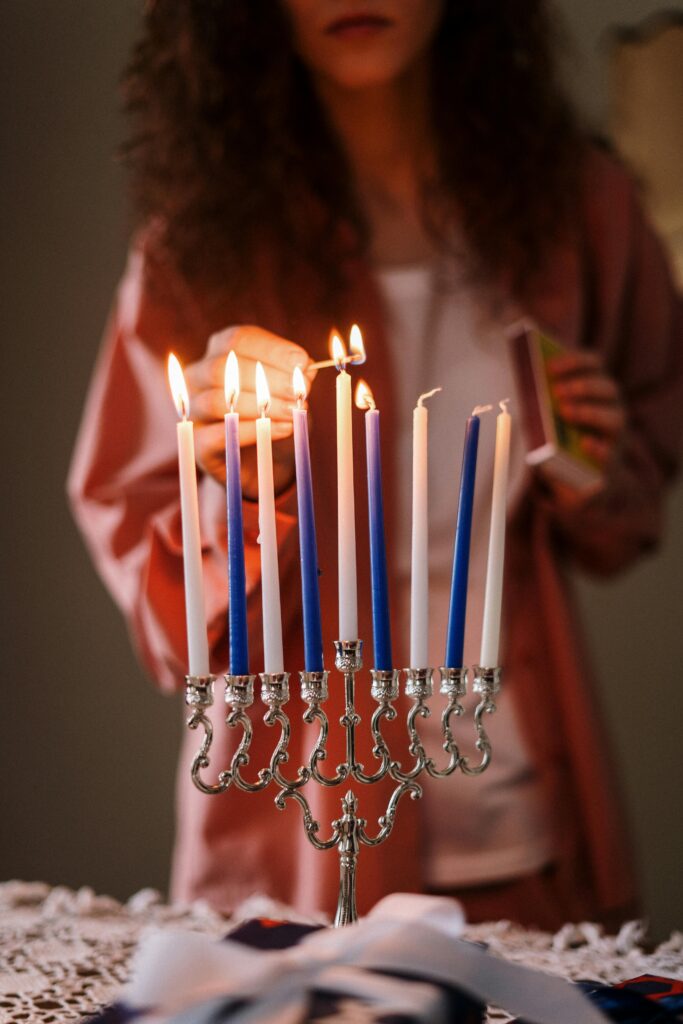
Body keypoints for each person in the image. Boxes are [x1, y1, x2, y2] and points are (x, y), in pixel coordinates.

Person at [68, 0, 683, 929]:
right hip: (298, 837)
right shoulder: (199, 247)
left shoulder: (581, 210)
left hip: (527, 825)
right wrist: (242, 486)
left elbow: (629, 506)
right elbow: (173, 622)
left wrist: (592, 456)